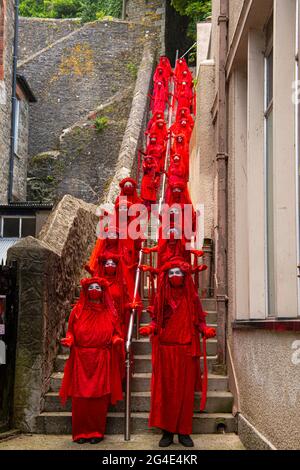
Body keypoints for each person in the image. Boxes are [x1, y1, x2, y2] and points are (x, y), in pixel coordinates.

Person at [139, 258, 215, 448]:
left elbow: (199, 321)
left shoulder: (193, 298)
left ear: (184, 276)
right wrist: (150, 327)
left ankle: (183, 432)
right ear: (167, 276)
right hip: (166, 351)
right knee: (165, 392)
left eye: (178, 273)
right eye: (171, 273)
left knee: (184, 393)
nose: (174, 276)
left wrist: (205, 330)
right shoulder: (161, 297)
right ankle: (167, 432)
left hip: (186, 351)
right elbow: (156, 320)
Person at [59, 277, 124, 444]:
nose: (94, 290)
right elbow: (71, 331)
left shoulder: (110, 312)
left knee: (99, 399)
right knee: (80, 399)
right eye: (91, 287)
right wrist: (70, 339)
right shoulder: (77, 311)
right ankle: (80, 433)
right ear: (86, 290)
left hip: (101, 358)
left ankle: (96, 432)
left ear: (103, 291)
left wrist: (116, 339)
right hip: (81, 359)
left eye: (98, 287)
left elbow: (116, 332)